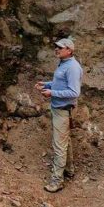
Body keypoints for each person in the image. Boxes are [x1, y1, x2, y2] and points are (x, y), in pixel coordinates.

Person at [35, 37, 83, 193]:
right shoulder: (64, 64)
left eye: (60, 48)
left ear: (69, 50)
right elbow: (61, 83)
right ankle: (69, 170)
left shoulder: (73, 67)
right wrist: (47, 84)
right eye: (56, 47)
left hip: (64, 110)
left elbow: (74, 92)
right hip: (59, 109)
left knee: (59, 145)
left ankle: (57, 181)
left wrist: (52, 93)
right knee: (64, 141)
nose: (56, 49)